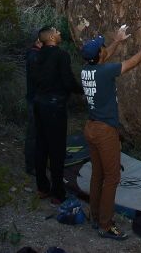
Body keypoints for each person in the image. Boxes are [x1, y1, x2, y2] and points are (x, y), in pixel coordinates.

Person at [80, 25, 141, 240]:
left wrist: (117, 41)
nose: (104, 49)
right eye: (102, 48)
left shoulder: (87, 69)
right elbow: (131, 63)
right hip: (105, 131)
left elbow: (103, 56)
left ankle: (95, 216)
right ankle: (105, 225)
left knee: (98, 174)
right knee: (112, 178)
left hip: (91, 128)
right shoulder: (104, 71)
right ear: (99, 55)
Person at [31, 26, 83, 203]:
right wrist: (82, 90)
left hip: (39, 103)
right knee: (57, 149)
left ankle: (42, 187)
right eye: (58, 32)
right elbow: (68, 80)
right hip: (55, 106)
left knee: (41, 145)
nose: (60, 33)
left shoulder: (36, 55)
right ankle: (58, 193)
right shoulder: (61, 55)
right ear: (52, 37)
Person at [24, 28, 46, 175]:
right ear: (38, 41)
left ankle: (34, 163)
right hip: (37, 101)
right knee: (34, 134)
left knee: (36, 133)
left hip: (36, 100)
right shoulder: (35, 57)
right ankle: (32, 166)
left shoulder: (35, 55)